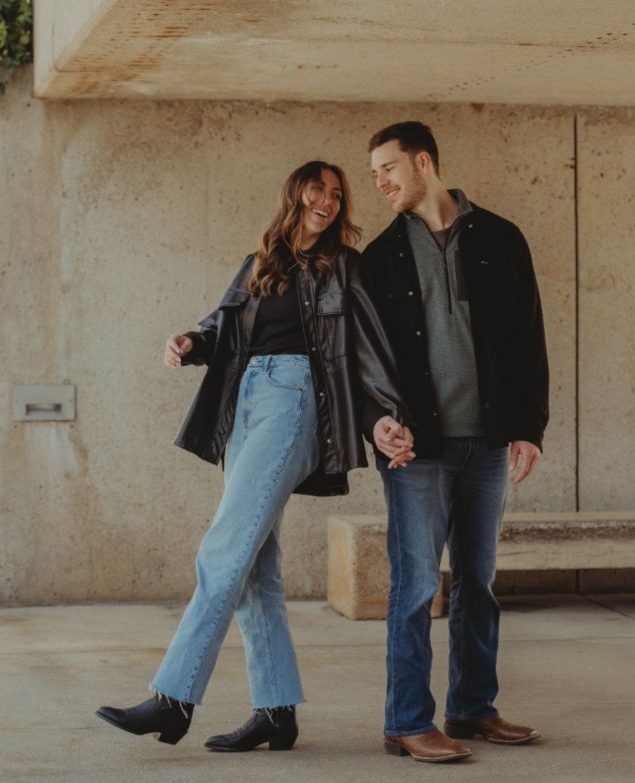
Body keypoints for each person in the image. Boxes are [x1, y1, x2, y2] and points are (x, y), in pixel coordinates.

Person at [96, 160, 414, 752]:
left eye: (336, 194)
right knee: (254, 565)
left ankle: (172, 699)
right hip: (245, 406)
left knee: (224, 549)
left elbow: (368, 347)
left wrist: (386, 414)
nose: (327, 201)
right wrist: (189, 342)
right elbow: (222, 330)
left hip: (295, 402)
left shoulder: (344, 267)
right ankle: (275, 711)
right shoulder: (259, 263)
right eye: (317, 189)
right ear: (295, 194)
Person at [361, 122, 549, 763]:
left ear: (423, 161)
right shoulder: (379, 258)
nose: (380, 182)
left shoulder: (501, 237)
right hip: (418, 450)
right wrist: (377, 422)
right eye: (374, 174)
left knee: (478, 582)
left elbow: (529, 338)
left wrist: (529, 427)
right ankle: (407, 721)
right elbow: (362, 360)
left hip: (488, 443)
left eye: (388, 168)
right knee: (415, 587)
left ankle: (471, 708)